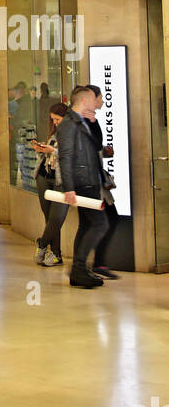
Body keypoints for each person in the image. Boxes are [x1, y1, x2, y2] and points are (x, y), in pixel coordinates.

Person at [55, 86, 110, 288]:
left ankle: (80, 270)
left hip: (90, 180)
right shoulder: (68, 124)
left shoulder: (81, 122)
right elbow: (65, 156)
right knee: (99, 224)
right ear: (85, 100)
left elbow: (95, 147)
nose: (96, 104)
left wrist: (93, 123)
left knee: (88, 225)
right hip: (82, 182)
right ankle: (78, 269)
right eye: (93, 100)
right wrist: (69, 187)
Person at [84, 84, 122, 279]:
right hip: (89, 182)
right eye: (99, 98)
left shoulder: (93, 121)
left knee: (105, 220)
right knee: (97, 222)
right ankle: (87, 265)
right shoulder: (82, 123)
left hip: (97, 180)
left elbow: (92, 149)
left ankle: (95, 263)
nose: (102, 101)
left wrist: (103, 151)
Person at [33, 102, 69, 267]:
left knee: (56, 218)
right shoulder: (54, 134)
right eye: (53, 119)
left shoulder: (72, 134)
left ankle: (42, 243)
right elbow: (50, 156)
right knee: (49, 218)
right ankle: (56, 253)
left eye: (57, 119)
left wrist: (52, 151)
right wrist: (41, 150)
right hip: (44, 176)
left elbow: (70, 155)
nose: (55, 122)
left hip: (61, 181)